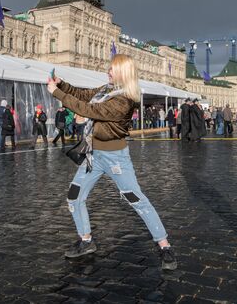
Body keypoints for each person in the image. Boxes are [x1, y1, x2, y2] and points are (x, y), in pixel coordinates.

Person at [47, 54, 177, 270]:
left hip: (115, 157)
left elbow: (89, 110)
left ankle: (164, 245)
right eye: (109, 68)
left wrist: (57, 93)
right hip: (93, 155)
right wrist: (63, 85)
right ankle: (86, 241)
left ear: (123, 72)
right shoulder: (106, 90)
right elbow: (83, 95)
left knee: (135, 199)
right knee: (74, 196)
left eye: (112, 69)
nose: (108, 71)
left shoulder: (124, 99)